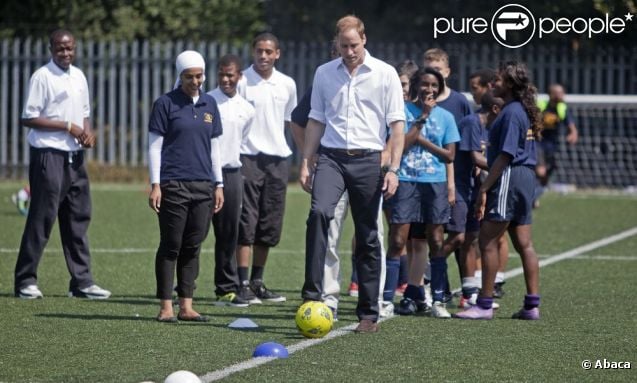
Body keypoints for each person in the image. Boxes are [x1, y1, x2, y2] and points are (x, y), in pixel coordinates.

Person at [300, 15, 405, 333]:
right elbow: (316, 120)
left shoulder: (385, 74)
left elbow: (397, 125)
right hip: (331, 158)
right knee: (319, 213)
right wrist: (306, 162)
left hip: (368, 161)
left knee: (368, 235)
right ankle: (312, 297)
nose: (349, 51)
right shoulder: (324, 73)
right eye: (343, 46)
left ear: (364, 39)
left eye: (354, 45)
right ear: (337, 44)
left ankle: (368, 313)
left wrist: (393, 169)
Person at [14, 29, 111, 300]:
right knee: (42, 218)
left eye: (70, 48)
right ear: (51, 49)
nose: (66, 53)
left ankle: (82, 282)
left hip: (75, 157)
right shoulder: (42, 77)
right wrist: (67, 126)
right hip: (48, 155)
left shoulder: (78, 75)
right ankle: (25, 280)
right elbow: (28, 117)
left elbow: (85, 114)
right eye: (60, 49)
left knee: (78, 217)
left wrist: (86, 132)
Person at [455, 61, 542, 320]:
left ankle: (483, 304)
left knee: (487, 240)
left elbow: (505, 155)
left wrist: (484, 187)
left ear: (511, 85)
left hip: (509, 176)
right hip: (524, 177)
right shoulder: (517, 109)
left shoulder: (512, 112)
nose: (493, 83)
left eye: (499, 80)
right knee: (523, 243)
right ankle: (531, 305)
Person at [148, 50, 223, 322]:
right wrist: (156, 184)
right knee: (171, 245)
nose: (195, 81)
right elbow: (154, 147)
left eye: (199, 75)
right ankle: (166, 307)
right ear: (180, 76)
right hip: (173, 184)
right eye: (189, 76)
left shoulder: (210, 104)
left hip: (203, 186)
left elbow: (215, 147)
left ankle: (186, 306)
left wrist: (219, 184)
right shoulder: (165, 104)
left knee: (193, 245)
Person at [391, 67, 459, 318]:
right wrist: (421, 120)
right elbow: (402, 145)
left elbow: (450, 155)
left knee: (436, 241)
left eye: (434, 85)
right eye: (425, 84)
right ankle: (389, 299)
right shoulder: (403, 113)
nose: (429, 90)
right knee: (399, 240)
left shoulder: (446, 117)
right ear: (416, 85)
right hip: (406, 181)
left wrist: (422, 140)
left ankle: (438, 301)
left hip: (435, 183)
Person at [236, 32, 297, 304]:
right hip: (248, 157)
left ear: (277, 54)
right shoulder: (241, 81)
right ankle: (242, 283)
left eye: (268, 51)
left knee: (270, 222)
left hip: (277, 160)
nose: (263, 56)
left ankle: (258, 282)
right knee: (246, 221)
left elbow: (290, 123)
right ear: (253, 51)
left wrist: (305, 158)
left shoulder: (287, 84)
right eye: (259, 50)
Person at [422, 48, 472, 304]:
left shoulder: (459, 102)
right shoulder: (417, 101)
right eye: (429, 71)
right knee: (433, 235)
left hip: (458, 179)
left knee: (460, 236)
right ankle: (440, 288)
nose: (434, 77)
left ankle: (464, 288)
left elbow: (468, 138)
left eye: (438, 71)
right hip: (426, 180)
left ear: (448, 72)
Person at [207, 54, 255, 307]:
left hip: (232, 174)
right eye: (222, 75)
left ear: (240, 76)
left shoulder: (248, 110)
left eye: (231, 75)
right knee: (193, 232)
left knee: (228, 234)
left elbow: (242, 141)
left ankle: (225, 288)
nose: (226, 79)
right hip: (203, 174)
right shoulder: (205, 102)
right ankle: (183, 285)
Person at [535, 83, 579, 207]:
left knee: (548, 173)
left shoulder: (562, 107)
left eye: (563, 93)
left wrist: (573, 133)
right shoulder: (541, 105)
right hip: (538, 143)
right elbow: (532, 119)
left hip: (552, 145)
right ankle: (530, 198)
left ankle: (534, 196)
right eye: (559, 93)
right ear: (551, 94)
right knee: (541, 171)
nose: (562, 95)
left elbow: (570, 124)